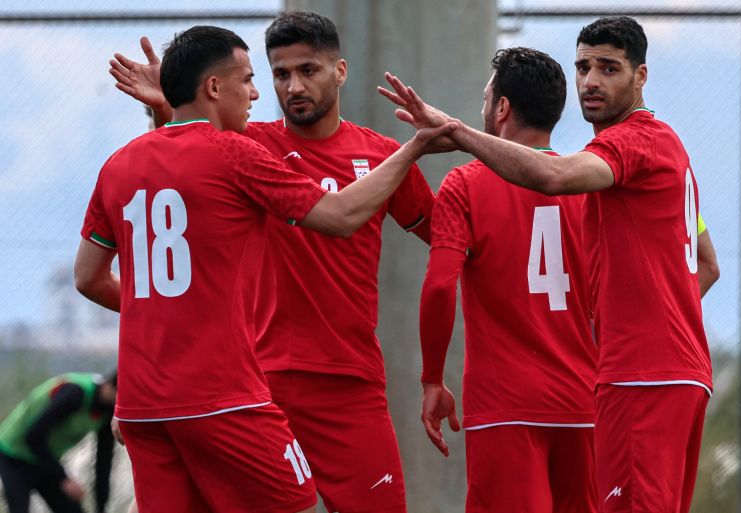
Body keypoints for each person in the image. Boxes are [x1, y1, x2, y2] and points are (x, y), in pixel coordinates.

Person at [75, 25, 451, 513]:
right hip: (252, 382)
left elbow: (449, 240)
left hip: (344, 381)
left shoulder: (378, 155)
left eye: (307, 71)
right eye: (276, 75)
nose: (288, 87)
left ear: (340, 72)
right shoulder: (244, 147)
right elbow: (186, 159)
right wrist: (165, 108)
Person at [381, 15, 714, 513]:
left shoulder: (614, 152)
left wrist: (455, 133)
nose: (591, 80)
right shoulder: (654, 153)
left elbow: (547, 179)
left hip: (617, 384)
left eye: (608, 68)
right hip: (626, 388)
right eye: (583, 67)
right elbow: (706, 265)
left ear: (641, 77)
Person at [419, 47, 598, 513]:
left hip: (506, 408)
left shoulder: (465, 183)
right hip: (587, 403)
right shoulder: (589, 187)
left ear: (501, 108)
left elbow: (440, 286)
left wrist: (432, 379)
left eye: (486, 97)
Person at [0, 372, 116, 513]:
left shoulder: (109, 411)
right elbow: (33, 436)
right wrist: (63, 479)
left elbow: (103, 461)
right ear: (109, 385)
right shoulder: (75, 393)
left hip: (44, 460)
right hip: (13, 455)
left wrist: (101, 507)